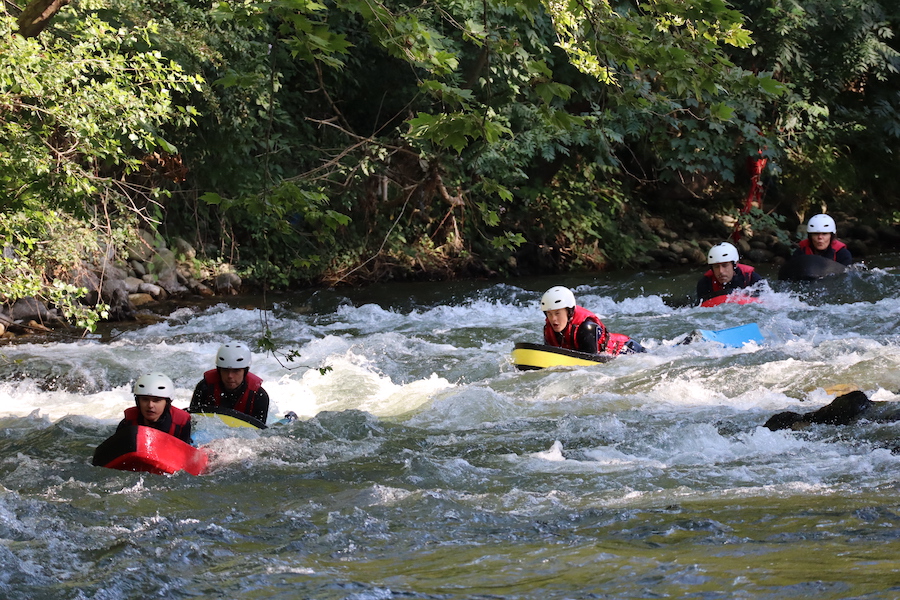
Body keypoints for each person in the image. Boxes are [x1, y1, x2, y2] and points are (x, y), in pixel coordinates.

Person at [540, 286, 644, 355]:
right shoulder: (548, 329)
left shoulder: (586, 328)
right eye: (549, 314)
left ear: (569, 312)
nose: (553, 319)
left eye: (557, 313)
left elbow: (590, 365)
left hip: (627, 350)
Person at [189, 342, 270, 423]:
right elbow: (192, 420)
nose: (230, 376)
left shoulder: (259, 396)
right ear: (219, 370)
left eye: (236, 370)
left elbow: (260, 432)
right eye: (225, 370)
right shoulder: (204, 387)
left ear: (245, 371)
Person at [117, 372, 192, 444]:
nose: (150, 405)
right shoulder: (127, 422)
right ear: (138, 401)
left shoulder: (181, 424)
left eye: (156, 400)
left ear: (167, 403)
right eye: (145, 399)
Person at [696, 241, 763, 304]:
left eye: (725, 265)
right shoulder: (705, 283)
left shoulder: (751, 278)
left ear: (735, 264)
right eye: (716, 266)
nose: (721, 271)